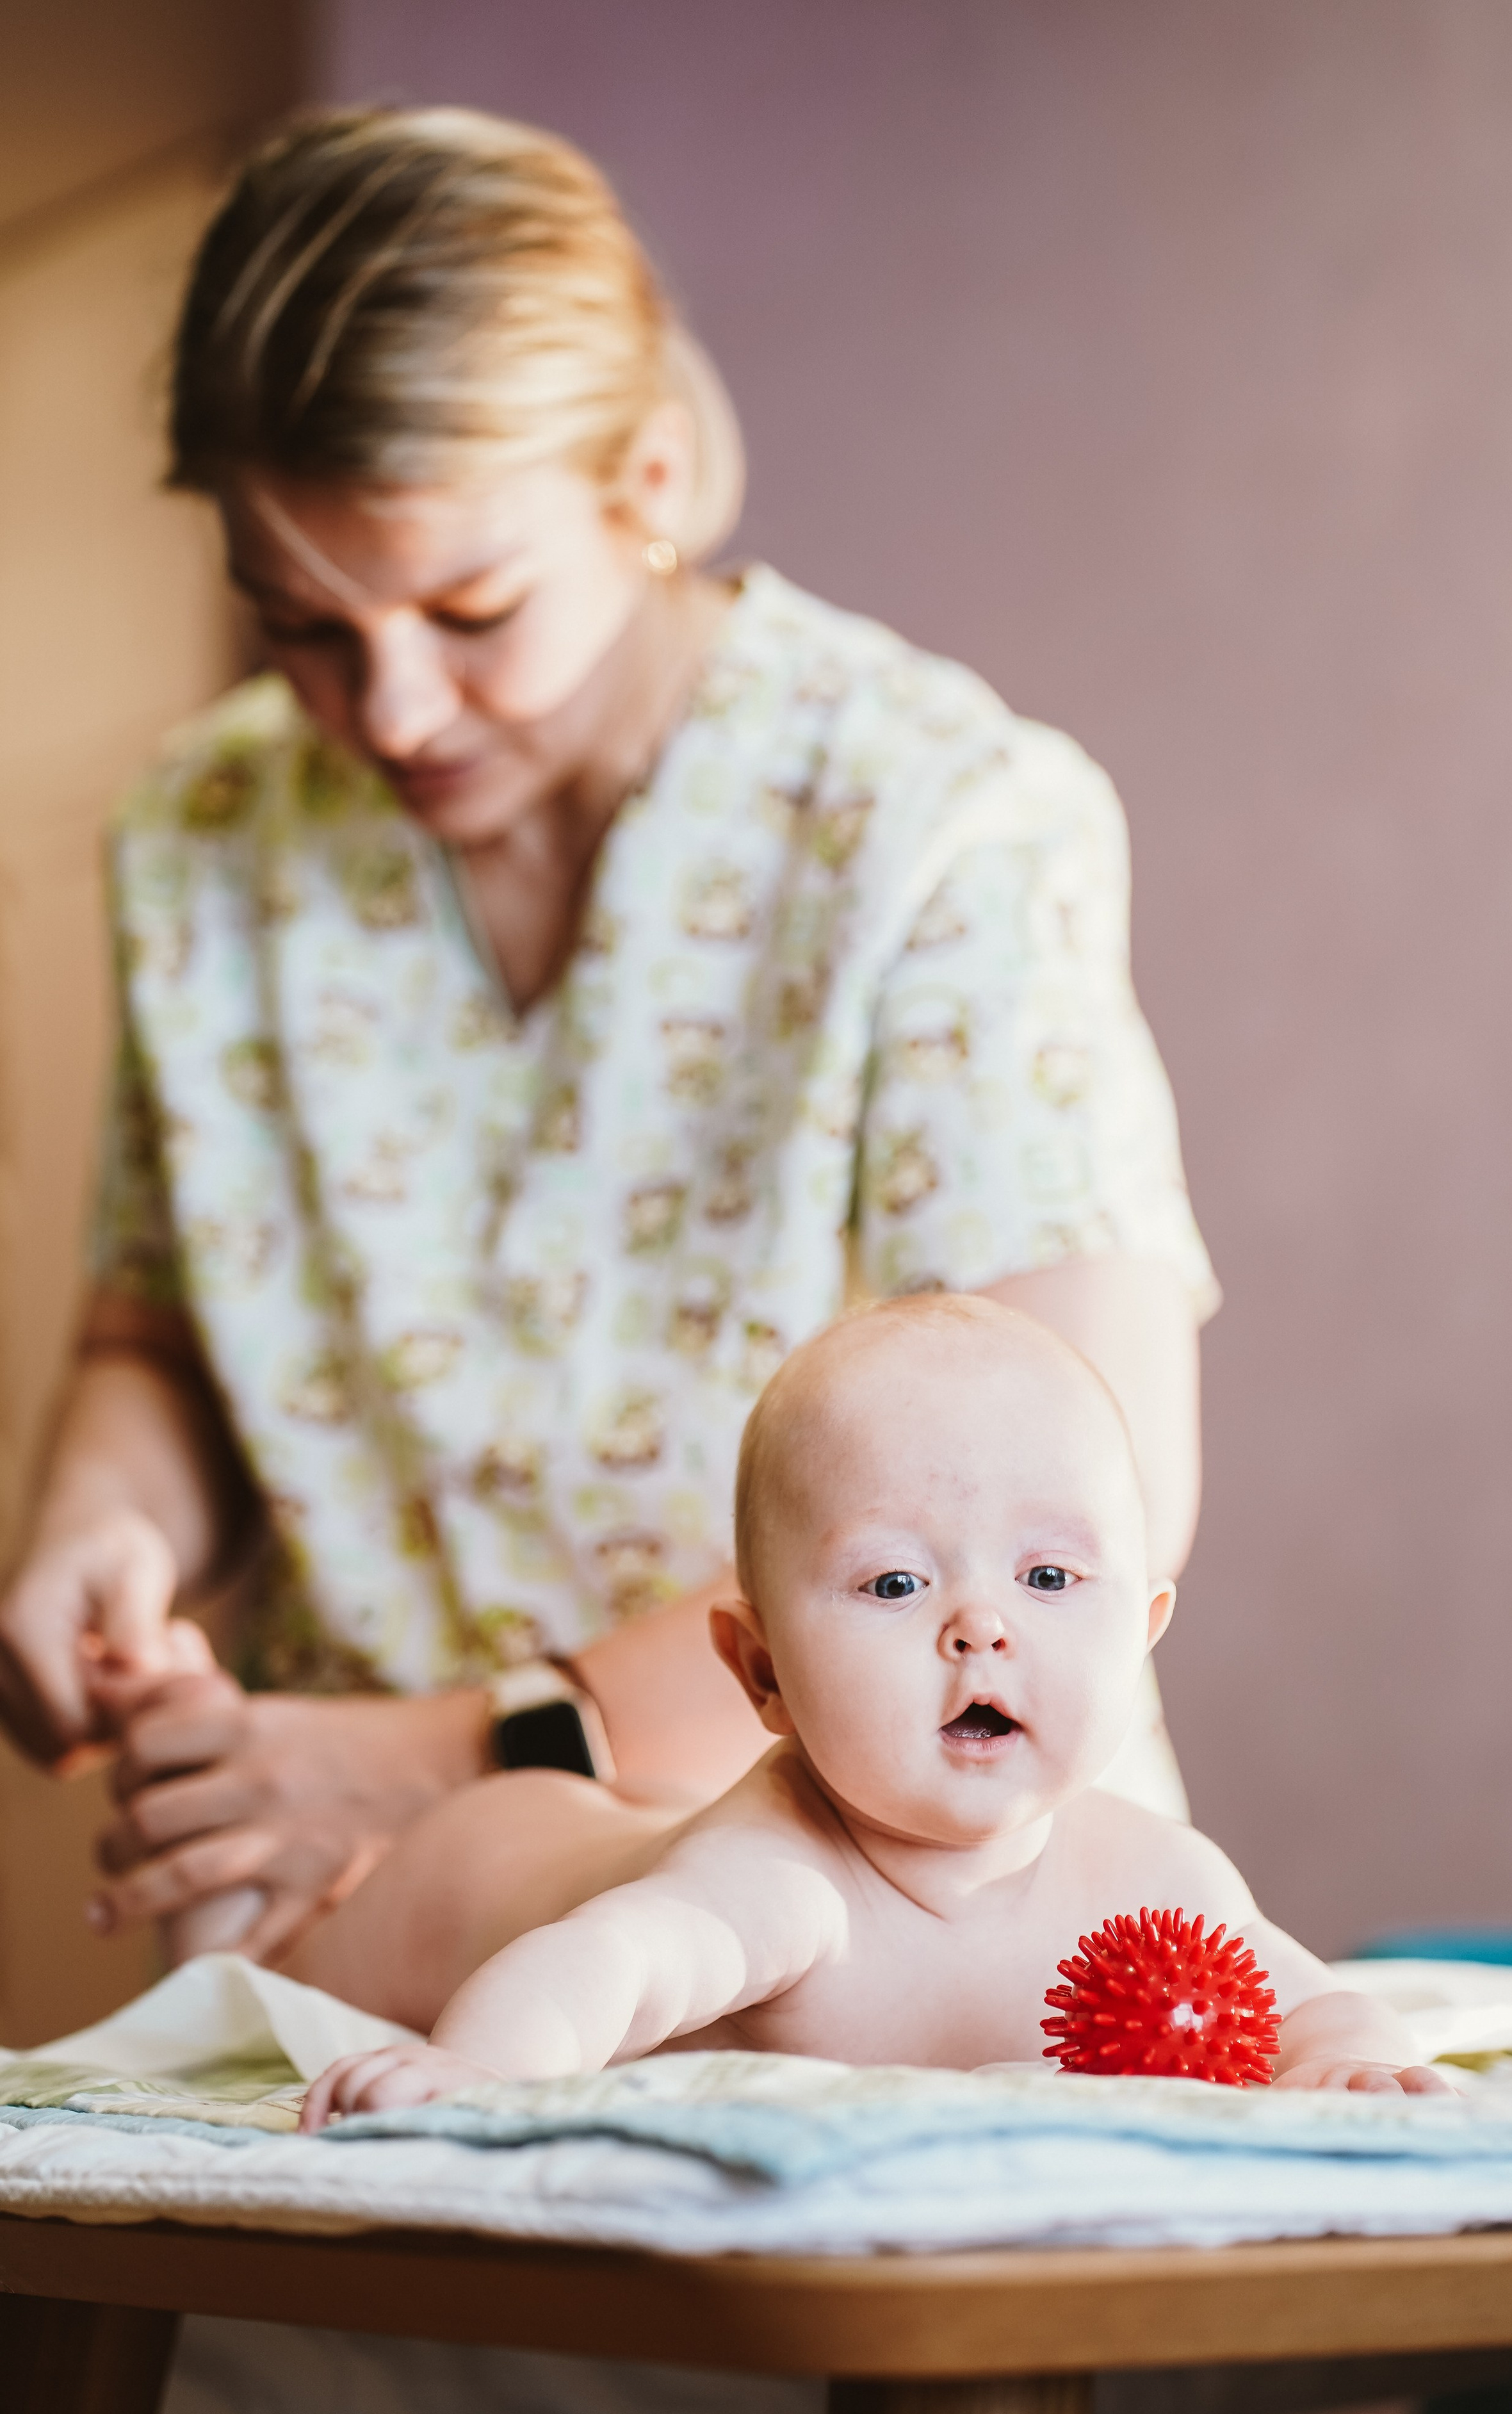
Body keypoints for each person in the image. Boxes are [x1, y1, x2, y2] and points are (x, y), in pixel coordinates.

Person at [0, 104, 1218, 1972]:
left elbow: (1092, 1475)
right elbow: (161, 1323)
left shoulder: (935, 817)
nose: (391, 708)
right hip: (372, 1922)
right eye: (301, 625)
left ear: (646, 479)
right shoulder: (210, 838)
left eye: (471, 610)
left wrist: (483, 1749)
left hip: (891, 1916)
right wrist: (102, 1528)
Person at [294, 1296, 1447, 2116]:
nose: (980, 1626)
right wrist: (485, 2079)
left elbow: (1316, 2009)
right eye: (895, 1583)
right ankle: (276, 1901)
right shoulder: (782, 1883)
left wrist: (1354, 2067)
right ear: (762, 1674)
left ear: (1141, 1631)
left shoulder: (1155, 1882)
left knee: (654, 1822)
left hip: (649, 1821)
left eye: (1048, 1579)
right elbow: (612, 1963)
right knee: (283, 1965)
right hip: (481, 1869)